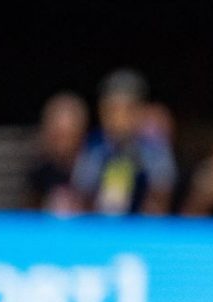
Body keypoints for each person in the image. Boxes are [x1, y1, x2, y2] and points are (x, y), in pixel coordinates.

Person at [73, 69, 177, 216]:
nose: (119, 119)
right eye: (112, 110)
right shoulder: (94, 145)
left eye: (127, 110)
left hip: (139, 230)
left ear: (141, 111)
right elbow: (82, 194)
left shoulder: (154, 147)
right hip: (99, 228)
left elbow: (160, 198)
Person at [26, 92, 88, 213]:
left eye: (67, 136)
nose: (62, 144)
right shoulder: (39, 171)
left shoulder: (96, 168)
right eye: (57, 136)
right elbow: (29, 215)